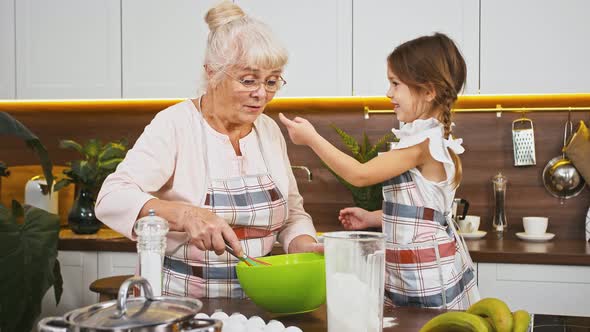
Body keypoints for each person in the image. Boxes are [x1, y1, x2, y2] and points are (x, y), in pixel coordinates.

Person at [95, 1, 320, 299]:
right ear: (213, 72)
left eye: (272, 81)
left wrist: (303, 243)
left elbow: (292, 213)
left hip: (258, 302)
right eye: (249, 80)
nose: (262, 94)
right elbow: (112, 197)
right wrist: (186, 215)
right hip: (180, 305)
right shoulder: (176, 124)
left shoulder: (268, 131)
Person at [279, 33, 480, 309]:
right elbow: (421, 214)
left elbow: (360, 175)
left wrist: (312, 138)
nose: (388, 93)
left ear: (428, 90)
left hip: (426, 278)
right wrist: (373, 218)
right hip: (410, 274)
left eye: (395, 83)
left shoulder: (423, 145)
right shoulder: (423, 141)